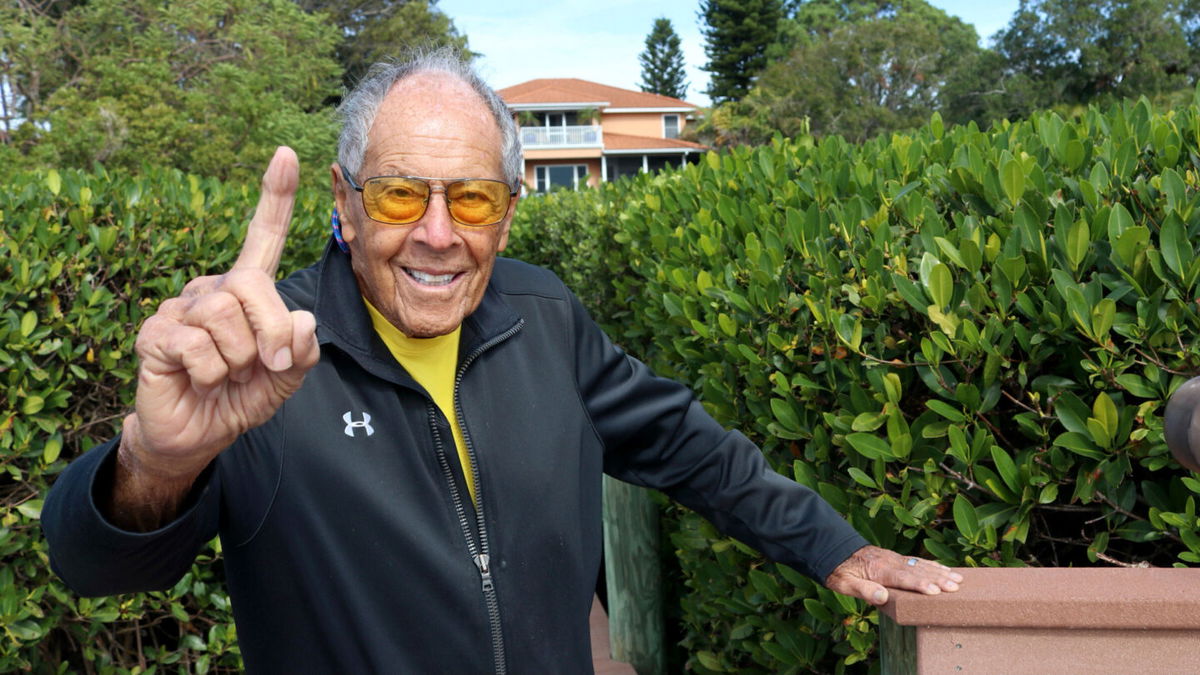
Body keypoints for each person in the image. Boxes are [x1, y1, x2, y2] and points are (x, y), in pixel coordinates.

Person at [43, 48, 962, 673]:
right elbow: (92, 566)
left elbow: (691, 446)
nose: (438, 236)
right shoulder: (264, 352)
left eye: (473, 199)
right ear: (346, 200)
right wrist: (155, 464)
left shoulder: (542, 315)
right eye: (402, 193)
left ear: (510, 210)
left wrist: (833, 545)